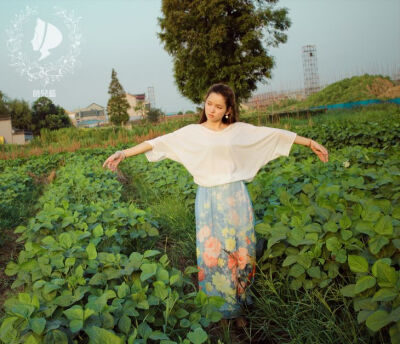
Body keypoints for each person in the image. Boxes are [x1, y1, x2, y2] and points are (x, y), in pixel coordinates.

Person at [102, 83, 329, 328]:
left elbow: (273, 135)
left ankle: (238, 305)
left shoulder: (238, 131)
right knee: (215, 255)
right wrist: (123, 153)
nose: (212, 110)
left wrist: (309, 143)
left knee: (241, 252)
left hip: (236, 199)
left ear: (228, 110)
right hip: (209, 200)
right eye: (209, 104)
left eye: (218, 106)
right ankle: (219, 309)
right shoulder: (193, 132)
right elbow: (157, 143)